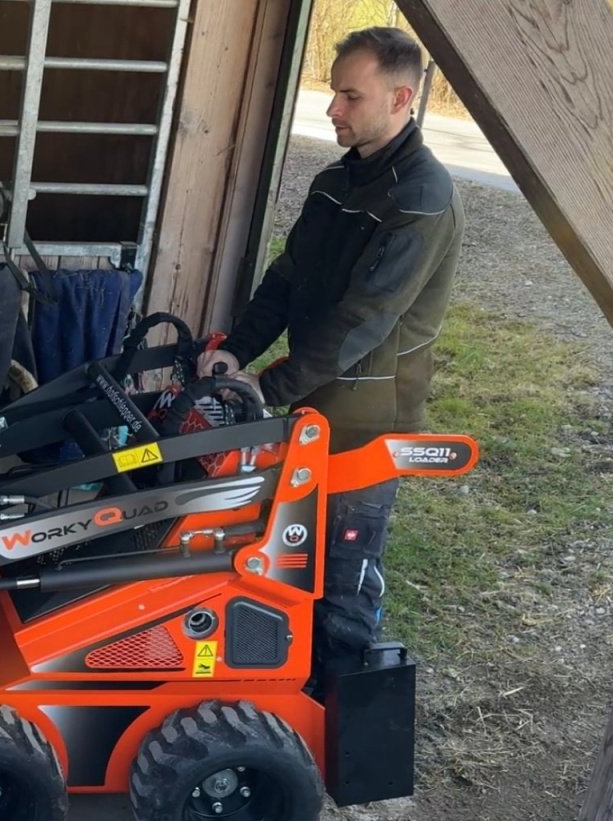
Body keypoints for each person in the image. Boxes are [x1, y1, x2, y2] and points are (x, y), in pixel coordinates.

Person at [197, 26, 464, 670]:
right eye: (334, 92)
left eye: (350, 96)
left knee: (343, 573)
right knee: (288, 554)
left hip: (369, 420)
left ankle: (338, 715)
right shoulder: (333, 185)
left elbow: (363, 320)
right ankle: (282, 692)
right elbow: (285, 281)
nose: (333, 109)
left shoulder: (422, 200)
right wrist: (237, 351)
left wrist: (272, 388)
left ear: (401, 100)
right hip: (313, 401)